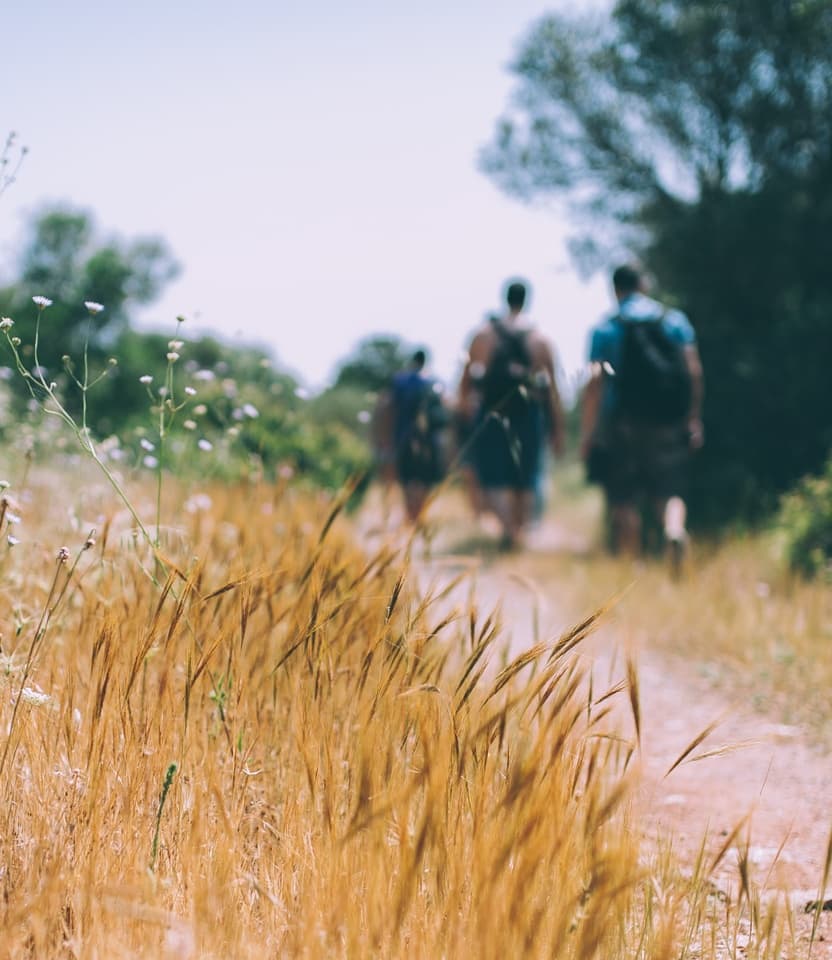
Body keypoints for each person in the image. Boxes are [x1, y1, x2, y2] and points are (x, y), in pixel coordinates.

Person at [579, 264, 704, 570]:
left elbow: (595, 385)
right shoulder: (673, 321)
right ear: (644, 284)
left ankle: (632, 565)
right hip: (667, 418)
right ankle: (673, 531)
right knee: (668, 488)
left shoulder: (606, 328)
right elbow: (693, 372)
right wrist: (692, 417)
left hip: (622, 422)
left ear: (614, 288)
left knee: (624, 495)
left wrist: (589, 433)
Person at [458, 280, 566, 549]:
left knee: (494, 475)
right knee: (525, 476)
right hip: (529, 413)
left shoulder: (483, 335)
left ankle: (507, 528)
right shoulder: (540, 338)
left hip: (492, 413)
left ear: (504, 299)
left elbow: (465, 383)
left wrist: (463, 421)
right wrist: (557, 428)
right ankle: (518, 531)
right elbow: (553, 389)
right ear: (527, 300)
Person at [375, 349, 447, 524]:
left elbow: (388, 408)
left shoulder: (400, 380)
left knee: (407, 478)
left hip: (404, 437)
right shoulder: (435, 381)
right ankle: (419, 513)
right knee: (425, 478)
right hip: (431, 440)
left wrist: (384, 437)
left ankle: (410, 514)